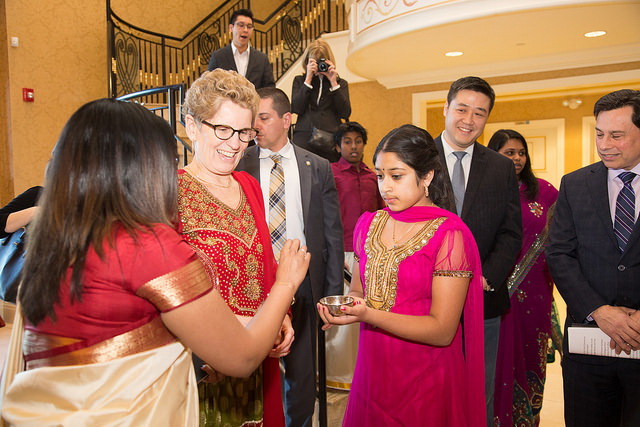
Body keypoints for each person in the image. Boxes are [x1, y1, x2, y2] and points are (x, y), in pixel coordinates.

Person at [1, 98, 310, 425]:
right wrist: (285, 284)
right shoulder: (146, 246)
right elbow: (243, 358)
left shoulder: (56, 243)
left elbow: (130, 331)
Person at [318, 124, 485, 426]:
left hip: (426, 376)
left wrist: (368, 314)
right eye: (380, 175)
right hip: (374, 369)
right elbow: (358, 292)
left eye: (397, 176)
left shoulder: (449, 234)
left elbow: (442, 330)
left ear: (427, 176)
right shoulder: (369, 224)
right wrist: (345, 309)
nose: (385, 187)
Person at [178, 68, 290, 426]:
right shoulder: (168, 193)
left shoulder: (249, 186)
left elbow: (262, 265)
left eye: (244, 132)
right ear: (192, 126)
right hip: (199, 368)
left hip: (255, 360)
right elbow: (162, 291)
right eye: (222, 129)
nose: (235, 143)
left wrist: (280, 314)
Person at [236, 87, 344, 427]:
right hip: (255, 281)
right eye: (253, 119)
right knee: (253, 362)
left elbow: (332, 233)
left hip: (304, 283)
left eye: (263, 118)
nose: (255, 126)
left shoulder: (319, 166)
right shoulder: (239, 163)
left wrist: (330, 292)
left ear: (286, 120)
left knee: (301, 369)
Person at [546, 89, 640, 427]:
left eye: (617, 135)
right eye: (599, 134)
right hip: (589, 347)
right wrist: (599, 311)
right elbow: (559, 253)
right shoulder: (575, 185)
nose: (604, 144)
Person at [434, 76, 522, 426]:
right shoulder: (418, 157)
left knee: (477, 392)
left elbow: (510, 232)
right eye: (462, 109)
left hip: (483, 300)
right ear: (446, 108)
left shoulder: (500, 167)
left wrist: (488, 275)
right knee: (431, 390)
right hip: (422, 300)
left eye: (480, 113)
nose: (469, 120)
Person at [487, 129, 559, 426]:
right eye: (509, 152)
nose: (517, 158)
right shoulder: (486, 191)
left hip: (537, 289)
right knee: (497, 359)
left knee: (531, 356)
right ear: (494, 156)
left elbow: (561, 240)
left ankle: (528, 419)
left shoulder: (545, 191)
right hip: (497, 289)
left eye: (521, 152)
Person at [327, 121, 384, 390]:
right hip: (340, 253)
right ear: (338, 146)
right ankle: (338, 375)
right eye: (347, 141)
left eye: (358, 141)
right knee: (342, 312)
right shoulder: (331, 173)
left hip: (370, 253)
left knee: (368, 310)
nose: (353, 146)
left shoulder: (375, 177)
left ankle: (365, 372)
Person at [291, 39, 351, 163]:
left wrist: (333, 83)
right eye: (315, 62)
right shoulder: (300, 80)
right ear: (307, 62)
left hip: (330, 140)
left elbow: (345, 113)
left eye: (322, 62)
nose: (319, 67)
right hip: (304, 137)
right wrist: (308, 80)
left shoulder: (340, 83)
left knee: (330, 176)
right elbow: (296, 108)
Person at [207, 9, 275, 90]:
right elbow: (209, 87)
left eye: (249, 27)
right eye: (241, 25)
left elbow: (270, 89)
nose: (245, 30)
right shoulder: (218, 57)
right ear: (231, 28)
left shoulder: (262, 59)